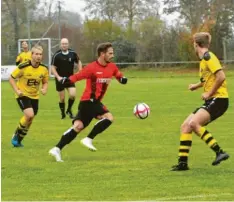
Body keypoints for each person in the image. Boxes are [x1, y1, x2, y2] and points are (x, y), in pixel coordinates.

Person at [49, 42, 128, 162]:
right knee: (109, 117)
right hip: (89, 101)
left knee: (78, 126)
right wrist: (66, 80)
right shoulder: (91, 68)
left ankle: (57, 148)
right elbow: (78, 76)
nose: (112, 55)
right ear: (102, 54)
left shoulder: (112, 67)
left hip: (91, 103)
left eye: (112, 53)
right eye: (110, 53)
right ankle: (89, 139)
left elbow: (117, 74)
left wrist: (121, 78)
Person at [171, 32, 229, 171]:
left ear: (196, 44)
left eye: (193, 44)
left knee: (194, 123)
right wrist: (196, 86)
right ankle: (182, 164)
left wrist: (209, 93)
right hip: (212, 99)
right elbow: (207, 79)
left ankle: (219, 152)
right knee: (186, 126)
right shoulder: (203, 59)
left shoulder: (208, 57)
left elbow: (221, 76)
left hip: (219, 99)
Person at [10, 45, 49, 147]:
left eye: (40, 54)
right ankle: (16, 135)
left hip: (35, 96)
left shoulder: (44, 69)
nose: (38, 56)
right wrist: (17, 90)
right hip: (22, 94)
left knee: (30, 120)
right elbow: (11, 78)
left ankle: (18, 140)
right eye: (36, 54)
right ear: (32, 55)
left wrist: (44, 88)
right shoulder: (23, 66)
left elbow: (45, 82)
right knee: (29, 115)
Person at [51, 38, 82, 119]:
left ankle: (69, 110)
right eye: (63, 44)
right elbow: (53, 68)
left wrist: (80, 71)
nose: (64, 45)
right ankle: (63, 113)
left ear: (68, 44)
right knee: (62, 98)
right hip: (60, 79)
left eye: (66, 44)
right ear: (60, 45)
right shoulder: (56, 55)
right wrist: (58, 77)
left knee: (72, 95)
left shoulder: (73, 53)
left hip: (70, 78)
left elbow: (78, 62)